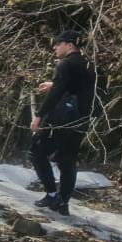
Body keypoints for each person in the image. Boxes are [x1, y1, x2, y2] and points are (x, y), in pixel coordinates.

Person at [29, 31, 96, 217]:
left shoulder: (64, 64)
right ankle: (63, 201)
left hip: (61, 121)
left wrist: (39, 116)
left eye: (58, 44)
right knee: (68, 160)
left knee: (36, 151)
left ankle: (51, 194)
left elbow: (56, 94)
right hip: (82, 119)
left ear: (69, 45)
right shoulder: (90, 64)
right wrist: (55, 83)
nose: (54, 48)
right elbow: (84, 87)